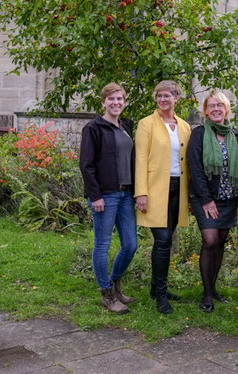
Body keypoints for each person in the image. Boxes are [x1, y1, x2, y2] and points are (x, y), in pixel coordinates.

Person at [80, 82, 138, 314]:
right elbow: (86, 165)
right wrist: (95, 195)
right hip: (104, 195)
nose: (116, 103)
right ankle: (106, 294)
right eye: (111, 99)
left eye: (120, 99)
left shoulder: (126, 126)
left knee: (131, 244)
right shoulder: (93, 128)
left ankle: (115, 284)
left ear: (124, 102)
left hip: (125, 193)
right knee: (102, 244)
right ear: (103, 101)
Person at [187, 91, 238, 312]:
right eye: (211, 106)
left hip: (229, 199)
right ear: (205, 110)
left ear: (226, 109)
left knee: (220, 243)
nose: (216, 109)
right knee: (210, 241)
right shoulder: (199, 134)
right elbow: (195, 168)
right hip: (206, 199)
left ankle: (213, 289)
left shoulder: (236, 135)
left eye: (220, 105)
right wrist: (206, 200)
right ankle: (206, 293)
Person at [135, 80, 191, 314]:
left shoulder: (184, 126)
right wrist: (141, 192)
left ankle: (156, 287)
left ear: (176, 98)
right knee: (163, 240)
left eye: (167, 95)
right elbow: (140, 158)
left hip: (178, 188)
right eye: (159, 96)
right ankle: (160, 293)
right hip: (155, 190)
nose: (163, 100)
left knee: (167, 240)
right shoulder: (146, 124)